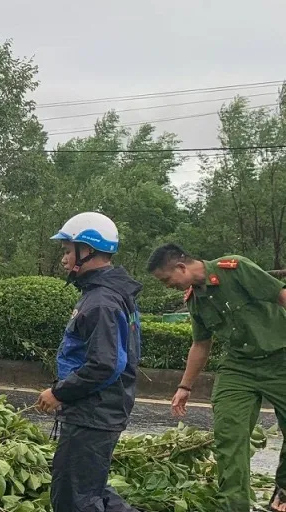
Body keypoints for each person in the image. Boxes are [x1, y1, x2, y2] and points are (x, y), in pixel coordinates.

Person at [147, 243, 286, 512]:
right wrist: (184, 386)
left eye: (167, 280)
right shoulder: (194, 300)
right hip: (239, 367)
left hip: (282, 357)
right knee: (229, 436)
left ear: (181, 267)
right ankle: (233, 506)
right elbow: (201, 344)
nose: (167, 286)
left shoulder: (235, 268)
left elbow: (280, 295)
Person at [35, 212, 141, 512]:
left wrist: (59, 393)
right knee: (90, 489)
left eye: (68, 251)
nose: (64, 259)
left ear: (88, 250)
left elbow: (105, 365)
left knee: (74, 499)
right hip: (98, 411)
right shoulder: (107, 294)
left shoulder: (102, 301)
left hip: (93, 412)